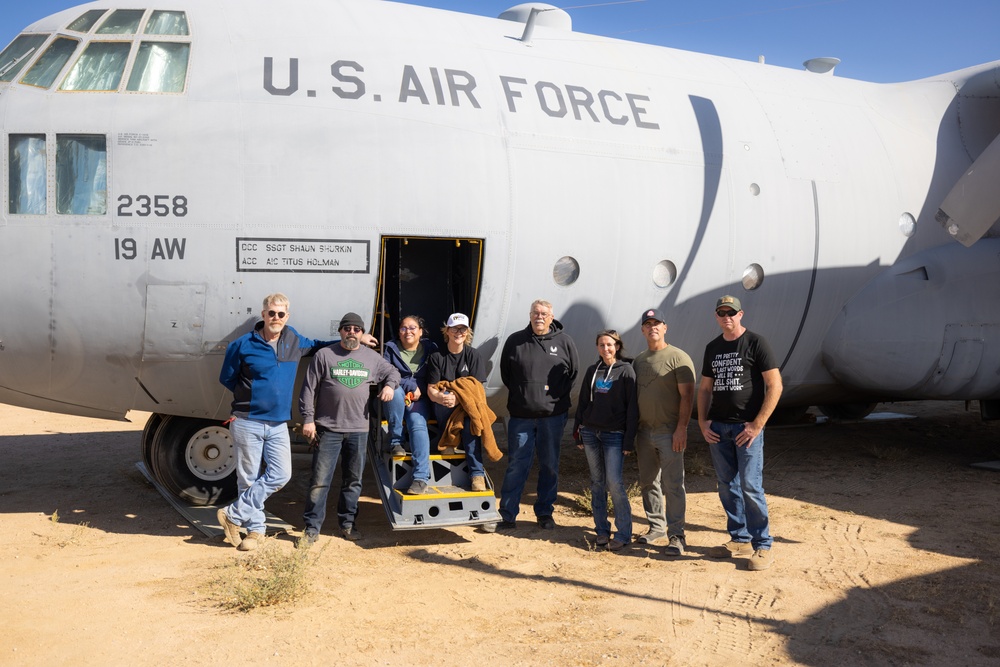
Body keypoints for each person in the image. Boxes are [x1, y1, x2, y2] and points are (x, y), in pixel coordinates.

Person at [217, 293, 373, 552]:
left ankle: (233, 514)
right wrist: (251, 397)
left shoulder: (294, 340)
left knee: (281, 475)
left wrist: (354, 339)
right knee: (248, 478)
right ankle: (255, 531)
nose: (275, 318)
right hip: (248, 420)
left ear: (287, 316)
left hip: (278, 423)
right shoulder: (242, 345)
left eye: (281, 314)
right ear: (263, 314)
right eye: (271, 313)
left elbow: (322, 345)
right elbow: (227, 378)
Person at [697, 295, 783, 571]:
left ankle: (763, 545)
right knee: (726, 485)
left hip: (747, 429)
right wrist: (702, 422)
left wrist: (757, 424)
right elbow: (705, 389)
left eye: (731, 312)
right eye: (722, 313)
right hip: (718, 428)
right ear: (716, 316)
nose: (727, 317)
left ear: (741, 314)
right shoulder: (713, 347)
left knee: (750, 485)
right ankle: (739, 538)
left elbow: (775, 385)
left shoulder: (756, 343)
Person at [299, 312, 400, 543]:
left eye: (356, 329)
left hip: (358, 430)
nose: (351, 332)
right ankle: (312, 529)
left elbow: (393, 372)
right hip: (328, 429)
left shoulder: (372, 358)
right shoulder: (325, 355)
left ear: (362, 333)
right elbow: (308, 388)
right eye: (347, 328)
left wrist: (390, 386)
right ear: (340, 331)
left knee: (353, 481)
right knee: (319, 481)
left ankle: (347, 524)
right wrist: (308, 418)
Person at [497, 300, 579, 531]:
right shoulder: (515, 341)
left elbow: (572, 373)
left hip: (552, 416)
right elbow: (507, 374)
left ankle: (544, 513)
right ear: (530, 315)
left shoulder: (564, 342)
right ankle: (508, 515)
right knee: (516, 464)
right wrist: (525, 394)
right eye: (535, 313)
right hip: (521, 416)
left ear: (551, 317)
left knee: (549, 464)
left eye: (544, 313)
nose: (539, 317)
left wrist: (553, 398)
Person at [633, 307, 696, 556]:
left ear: (665, 327)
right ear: (642, 330)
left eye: (657, 323)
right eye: (648, 324)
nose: (652, 327)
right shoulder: (639, 360)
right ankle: (656, 526)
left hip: (669, 432)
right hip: (644, 432)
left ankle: (677, 535)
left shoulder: (678, 358)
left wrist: (682, 428)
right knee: (648, 482)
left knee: (673, 485)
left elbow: (687, 397)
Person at [573, 329, 637, 551]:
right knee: (597, 483)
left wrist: (629, 440)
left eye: (610, 345)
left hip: (614, 435)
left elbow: (632, 408)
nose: (606, 348)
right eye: (601, 345)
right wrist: (577, 430)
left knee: (614, 483)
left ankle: (623, 533)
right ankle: (601, 530)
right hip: (591, 433)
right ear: (598, 348)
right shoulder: (593, 370)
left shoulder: (627, 371)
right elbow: (582, 402)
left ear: (617, 346)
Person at [426, 313, 490, 491]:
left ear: (467, 332)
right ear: (447, 330)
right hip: (444, 404)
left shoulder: (474, 355)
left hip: (466, 405)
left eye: (462, 329)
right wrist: (442, 397)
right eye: (454, 328)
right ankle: (451, 440)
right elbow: (432, 389)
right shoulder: (437, 356)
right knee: (444, 395)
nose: (458, 332)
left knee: (471, 421)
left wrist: (459, 396)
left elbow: (478, 390)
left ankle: (477, 475)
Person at [383, 315, 439, 494]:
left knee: (418, 425)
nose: (408, 331)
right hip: (398, 397)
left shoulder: (431, 349)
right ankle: (396, 441)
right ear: (399, 332)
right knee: (395, 391)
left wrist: (420, 388)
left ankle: (421, 478)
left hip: (420, 400)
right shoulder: (390, 349)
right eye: (403, 328)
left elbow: (435, 374)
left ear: (421, 332)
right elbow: (386, 372)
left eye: (413, 327)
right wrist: (410, 386)